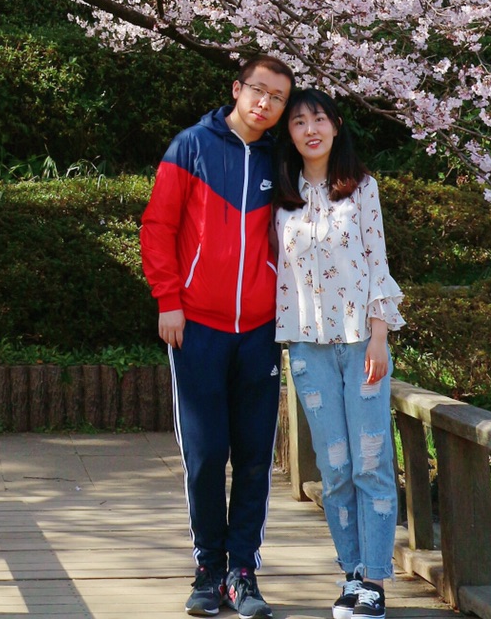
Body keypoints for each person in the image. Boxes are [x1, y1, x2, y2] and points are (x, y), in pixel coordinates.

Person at [140, 53, 295, 619]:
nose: (266, 104)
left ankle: (242, 570)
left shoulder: (282, 160)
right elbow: (158, 226)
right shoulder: (192, 146)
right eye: (258, 90)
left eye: (278, 98)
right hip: (197, 326)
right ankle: (207, 567)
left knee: (255, 455)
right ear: (237, 88)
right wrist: (168, 301)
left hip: (259, 330)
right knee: (206, 454)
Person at [274, 87, 404, 619]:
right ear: (290, 132)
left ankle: (375, 579)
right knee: (335, 467)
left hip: (361, 342)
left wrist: (380, 333)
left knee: (371, 462)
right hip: (307, 345)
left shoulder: (362, 188)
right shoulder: (281, 197)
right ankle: (350, 572)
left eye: (319, 119)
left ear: (336, 125)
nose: (310, 129)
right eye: (300, 120)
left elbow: (378, 260)